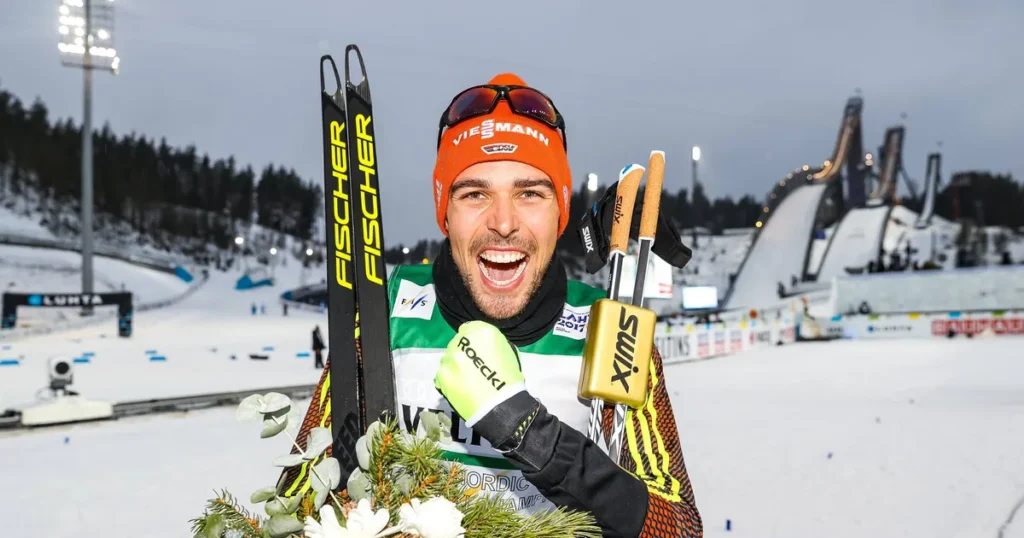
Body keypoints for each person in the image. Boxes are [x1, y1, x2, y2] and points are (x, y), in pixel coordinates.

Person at [282, 74, 701, 537]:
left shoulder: (608, 332)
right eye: (475, 194)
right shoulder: (388, 312)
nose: (503, 222)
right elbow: (298, 497)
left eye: (530, 193)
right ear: (445, 212)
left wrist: (533, 436)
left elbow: (678, 527)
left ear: (560, 212)